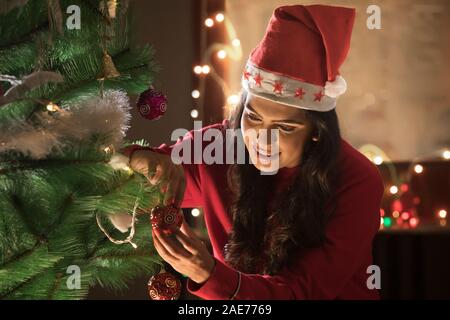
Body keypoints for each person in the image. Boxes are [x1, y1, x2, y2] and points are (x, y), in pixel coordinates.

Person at [122, 4, 384, 299]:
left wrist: (208, 275)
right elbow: (128, 176)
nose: (262, 138)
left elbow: (304, 293)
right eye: (254, 117)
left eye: (284, 128)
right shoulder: (220, 146)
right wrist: (137, 159)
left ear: (316, 131)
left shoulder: (357, 180)